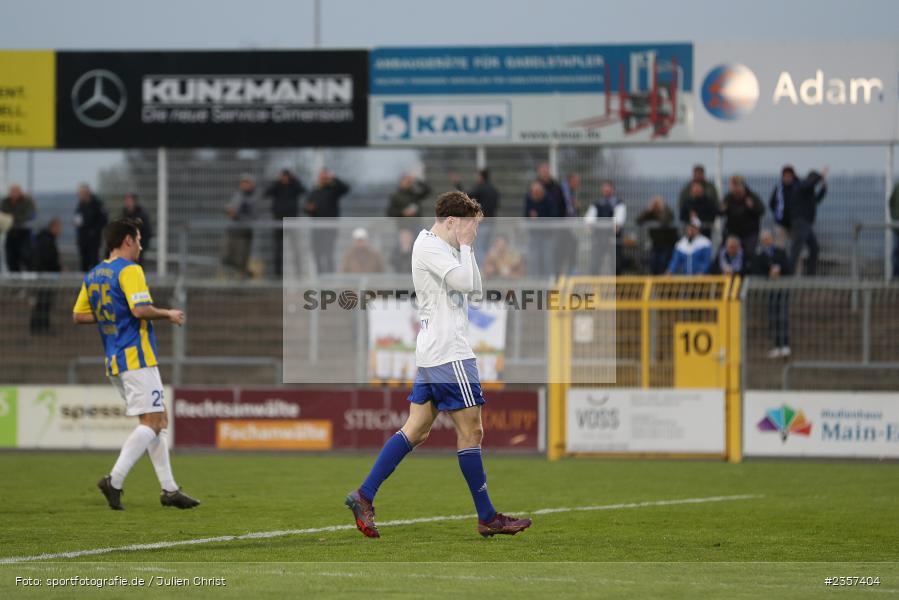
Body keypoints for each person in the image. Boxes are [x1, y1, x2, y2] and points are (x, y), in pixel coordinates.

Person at [345, 190, 532, 539]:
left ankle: (364, 495)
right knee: (471, 432)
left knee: (416, 429)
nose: (472, 233)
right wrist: (467, 246)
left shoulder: (443, 247)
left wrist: (466, 246)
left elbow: (474, 289)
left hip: (435, 352)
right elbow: (465, 282)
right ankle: (487, 516)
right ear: (451, 222)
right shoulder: (430, 246)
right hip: (450, 353)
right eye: (469, 226)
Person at [72, 217, 199, 511]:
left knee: (158, 420)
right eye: (139, 240)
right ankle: (114, 480)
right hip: (136, 356)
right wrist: (168, 313)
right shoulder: (130, 270)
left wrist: (114, 315)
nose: (141, 246)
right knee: (154, 422)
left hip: (114, 359)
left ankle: (169, 489)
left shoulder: (94, 274)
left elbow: (79, 315)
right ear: (127, 240)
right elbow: (140, 309)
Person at [754, 229, 792, 358]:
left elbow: (788, 267)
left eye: (768, 238)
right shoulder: (759, 256)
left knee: (783, 317)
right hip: (770, 291)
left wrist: (779, 270)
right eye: (764, 239)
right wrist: (768, 274)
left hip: (782, 289)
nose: (766, 241)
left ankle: (785, 345)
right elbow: (757, 272)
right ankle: (777, 345)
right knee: (773, 318)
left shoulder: (780, 252)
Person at [305, 168, 350, 275]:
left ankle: (330, 277)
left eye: (325, 176)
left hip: (330, 228)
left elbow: (346, 188)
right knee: (317, 254)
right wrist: (309, 209)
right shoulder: (314, 191)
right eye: (321, 176)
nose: (323, 178)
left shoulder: (333, 190)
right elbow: (306, 207)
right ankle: (320, 277)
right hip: (316, 228)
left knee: (329, 254)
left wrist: (333, 178)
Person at [451, 169, 500, 261]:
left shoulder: (480, 188)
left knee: (479, 246)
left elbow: (466, 196)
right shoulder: (494, 190)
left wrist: (458, 183)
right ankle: (487, 267)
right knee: (487, 246)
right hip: (492, 222)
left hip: (481, 222)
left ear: (481, 177)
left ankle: (480, 269)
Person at [265, 169, 306, 277]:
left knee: (296, 248)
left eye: (287, 177)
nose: (285, 179)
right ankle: (277, 274)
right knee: (278, 248)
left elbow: (303, 190)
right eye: (283, 177)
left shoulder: (294, 185)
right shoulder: (277, 186)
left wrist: (294, 180)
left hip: (292, 221)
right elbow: (266, 193)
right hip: (278, 221)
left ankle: (299, 274)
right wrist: (277, 181)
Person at [788, 168, 828, 276]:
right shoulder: (801, 186)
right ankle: (788, 274)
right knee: (796, 249)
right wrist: (820, 176)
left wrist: (824, 188)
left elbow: (817, 200)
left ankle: (811, 274)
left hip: (807, 224)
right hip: (800, 222)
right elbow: (809, 184)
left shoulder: (809, 192)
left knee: (814, 248)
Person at [585, 180, 626, 275]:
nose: (606, 190)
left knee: (616, 266)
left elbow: (618, 222)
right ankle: (595, 288)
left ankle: (618, 288)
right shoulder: (596, 204)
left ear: (612, 189)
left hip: (613, 240)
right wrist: (590, 226)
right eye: (604, 188)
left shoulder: (619, 204)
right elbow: (589, 219)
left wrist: (615, 228)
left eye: (608, 188)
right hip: (599, 239)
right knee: (594, 266)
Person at [223, 174, 260, 278]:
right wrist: (228, 210)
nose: (244, 185)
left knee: (241, 260)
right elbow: (231, 209)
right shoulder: (237, 195)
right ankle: (231, 280)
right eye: (242, 182)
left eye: (246, 183)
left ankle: (242, 280)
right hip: (232, 231)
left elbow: (253, 216)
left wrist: (237, 215)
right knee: (227, 258)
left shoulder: (253, 197)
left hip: (244, 232)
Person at [30, 218, 62, 335]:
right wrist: (58, 268)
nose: (60, 231)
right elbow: (49, 259)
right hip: (46, 276)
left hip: (43, 275)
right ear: (53, 227)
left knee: (41, 302)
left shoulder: (43, 239)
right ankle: (41, 327)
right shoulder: (47, 240)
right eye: (58, 228)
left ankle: (37, 327)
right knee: (44, 303)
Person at [720, 175, 764, 260]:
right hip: (732, 232)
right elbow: (720, 213)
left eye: (737, 185)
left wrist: (752, 207)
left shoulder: (751, 196)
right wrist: (722, 210)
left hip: (750, 233)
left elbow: (761, 211)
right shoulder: (728, 198)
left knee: (749, 253)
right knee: (724, 250)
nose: (735, 188)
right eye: (733, 185)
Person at [636, 196, 677, 275]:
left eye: (658, 204)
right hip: (656, 243)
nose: (656, 206)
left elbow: (664, 222)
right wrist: (648, 210)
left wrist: (662, 209)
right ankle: (655, 282)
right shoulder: (651, 213)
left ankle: (663, 283)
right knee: (653, 262)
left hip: (668, 243)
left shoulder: (668, 211)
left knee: (663, 262)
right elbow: (638, 221)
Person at [0, 184, 36, 272]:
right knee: (11, 259)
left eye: (15, 191)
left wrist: (11, 219)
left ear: (20, 192)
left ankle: (30, 280)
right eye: (12, 192)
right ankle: (14, 281)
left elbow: (30, 215)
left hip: (24, 233)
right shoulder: (5, 202)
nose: (13, 194)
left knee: (26, 257)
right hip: (10, 233)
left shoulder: (27, 201)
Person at [523, 181, 555, 277]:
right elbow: (525, 215)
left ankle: (548, 280)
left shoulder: (549, 200)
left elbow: (553, 216)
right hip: (534, 234)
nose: (535, 195)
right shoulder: (529, 199)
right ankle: (535, 281)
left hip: (547, 235)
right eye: (533, 192)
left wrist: (538, 217)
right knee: (534, 258)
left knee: (547, 258)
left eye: (537, 192)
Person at [74, 184, 108, 272]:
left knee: (93, 262)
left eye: (80, 193)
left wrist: (94, 231)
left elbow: (103, 220)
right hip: (83, 240)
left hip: (93, 241)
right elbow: (78, 219)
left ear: (86, 193)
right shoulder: (80, 205)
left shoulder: (97, 204)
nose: (79, 196)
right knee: (84, 263)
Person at [121, 193, 153, 265]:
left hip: (138, 246)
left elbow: (147, 232)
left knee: (137, 265)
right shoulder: (123, 215)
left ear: (134, 202)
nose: (127, 203)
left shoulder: (142, 215)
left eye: (129, 201)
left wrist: (141, 245)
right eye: (126, 201)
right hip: (126, 247)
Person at [769, 166, 797, 239]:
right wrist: (778, 214)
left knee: (794, 247)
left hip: (795, 223)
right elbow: (771, 203)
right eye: (785, 176)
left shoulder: (798, 188)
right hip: (780, 223)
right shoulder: (779, 189)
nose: (787, 178)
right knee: (779, 247)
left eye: (789, 176)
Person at [891, 181, 899, 279]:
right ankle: (895, 277)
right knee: (896, 253)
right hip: (897, 227)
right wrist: (894, 217)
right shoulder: (898, 186)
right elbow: (891, 202)